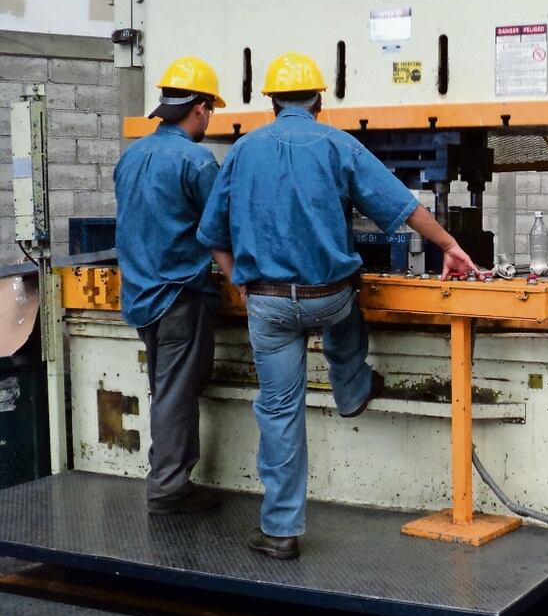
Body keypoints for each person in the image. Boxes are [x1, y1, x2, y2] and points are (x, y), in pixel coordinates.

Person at [197, 52, 481, 560]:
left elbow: (213, 234)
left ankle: (280, 531)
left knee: (279, 411)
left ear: (271, 103)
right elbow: (403, 205)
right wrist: (450, 246)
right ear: (319, 102)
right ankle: (351, 388)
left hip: (268, 306)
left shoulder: (242, 150)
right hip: (328, 298)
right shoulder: (338, 143)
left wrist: (240, 280)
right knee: (348, 307)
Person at [114, 57, 226, 515]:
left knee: (166, 388)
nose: (209, 119)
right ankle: (168, 487)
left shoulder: (131, 156)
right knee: (176, 392)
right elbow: (222, 229)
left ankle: (167, 475)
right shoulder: (196, 160)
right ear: (199, 108)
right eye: (210, 111)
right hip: (179, 294)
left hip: (140, 293)